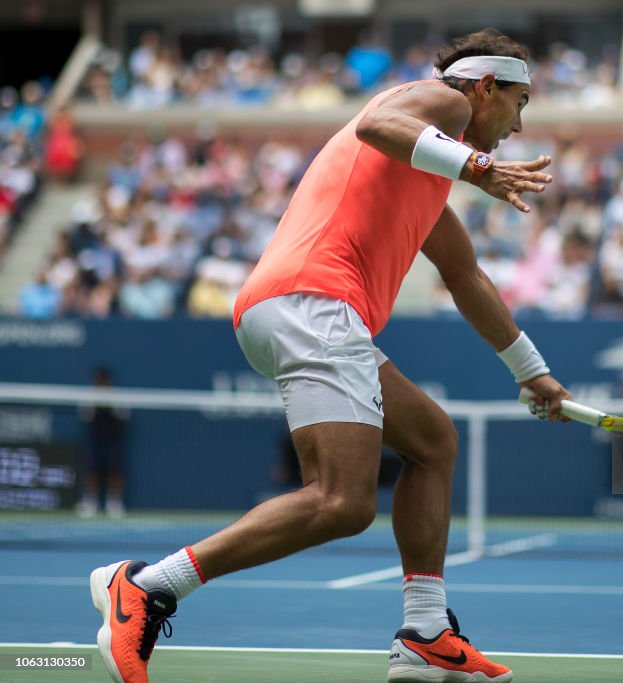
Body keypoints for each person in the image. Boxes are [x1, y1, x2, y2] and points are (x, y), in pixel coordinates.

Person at [89, 29, 571, 683]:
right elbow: (377, 121)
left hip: (301, 308)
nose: (519, 123)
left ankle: (426, 631)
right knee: (341, 501)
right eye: (519, 101)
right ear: (484, 88)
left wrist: (530, 371)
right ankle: (149, 584)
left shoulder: (424, 177)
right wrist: (478, 167)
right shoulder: (443, 106)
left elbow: (467, 279)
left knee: (432, 439)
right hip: (311, 300)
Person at [77, 367, 130, 517]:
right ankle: (89, 503)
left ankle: (114, 504)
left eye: (103, 380)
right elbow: (85, 417)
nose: (101, 383)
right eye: (98, 380)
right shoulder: (89, 398)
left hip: (113, 442)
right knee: (91, 471)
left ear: (108, 381)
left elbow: (125, 418)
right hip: (95, 442)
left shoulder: (117, 398)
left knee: (115, 471)